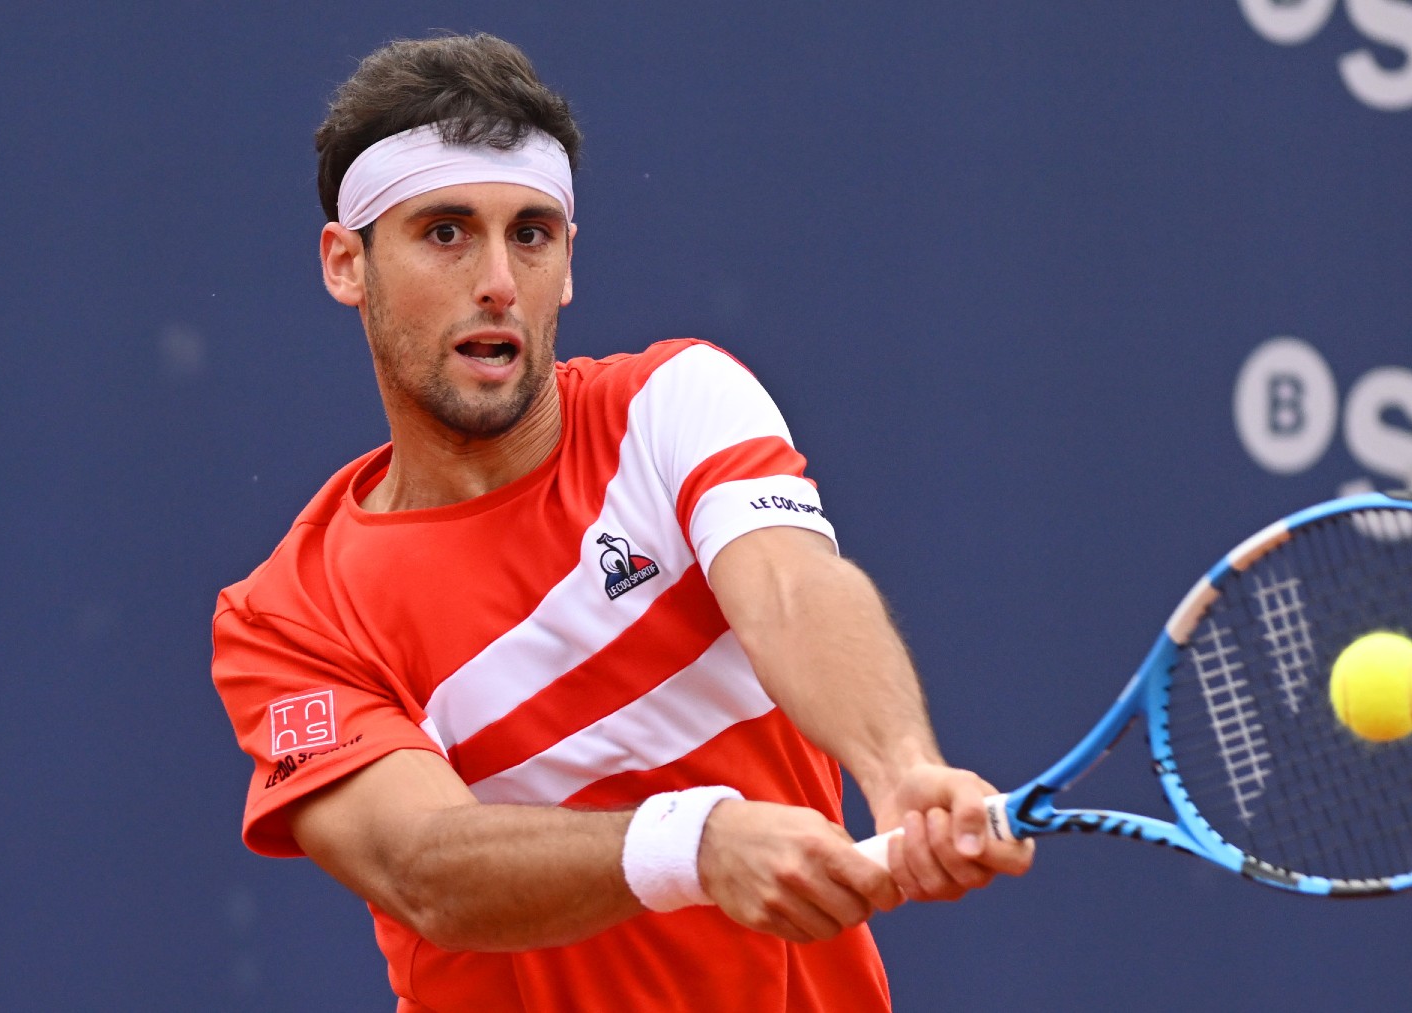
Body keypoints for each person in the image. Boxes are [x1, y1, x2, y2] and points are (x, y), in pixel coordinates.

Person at [210, 32, 1032, 1013]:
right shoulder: (288, 619)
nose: (497, 283)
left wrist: (902, 768)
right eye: (444, 232)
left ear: (568, 265)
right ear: (347, 264)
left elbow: (789, 588)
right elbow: (420, 863)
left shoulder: (676, 405)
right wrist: (696, 843)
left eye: (531, 233)